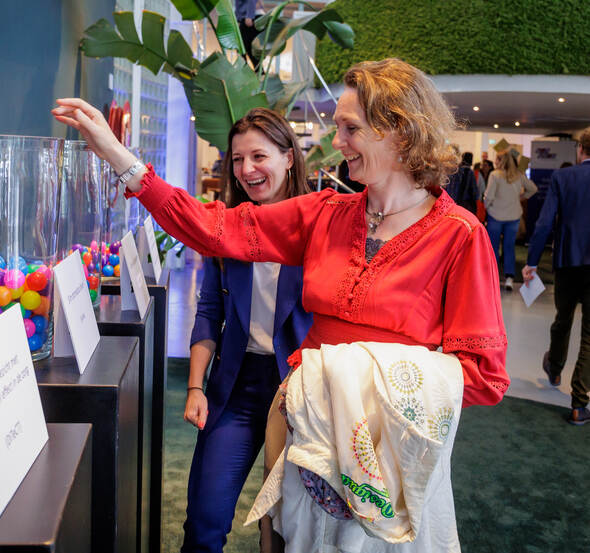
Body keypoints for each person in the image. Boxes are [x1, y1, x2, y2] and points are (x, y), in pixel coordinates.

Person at [53, 57, 509, 551]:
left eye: (350, 129)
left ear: (397, 130)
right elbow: (214, 228)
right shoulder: (325, 216)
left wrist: (353, 377)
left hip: (386, 464)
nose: (336, 143)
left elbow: (482, 375)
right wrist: (122, 158)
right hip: (303, 437)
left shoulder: (459, 237)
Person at [182, 108, 312, 552]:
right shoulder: (230, 230)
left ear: (289, 157)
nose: (247, 170)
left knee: (286, 531)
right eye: (238, 159)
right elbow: (209, 309)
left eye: (259, 156)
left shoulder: (320, 228)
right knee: (204, 521)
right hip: (236, 388)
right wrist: (196, 386)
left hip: (299, 392)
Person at [522, 127, 590, 426]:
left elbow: (544, 223)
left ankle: (555, 368)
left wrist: (532, 262)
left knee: (563, 320)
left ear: (580, 149)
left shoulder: (565, 178)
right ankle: (579, 403)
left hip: (567, 263)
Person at [484, 149, 538, 290]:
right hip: (513, 217)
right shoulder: (519, 176)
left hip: (495, 215)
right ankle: (509, 278)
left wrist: (487, 207)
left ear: (501, 161)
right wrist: (520, 198)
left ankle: (493, 278)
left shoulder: (495, 175)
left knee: (493, 248)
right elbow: (533, 189)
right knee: (509, 247)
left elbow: (489, 196)